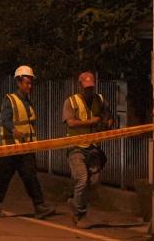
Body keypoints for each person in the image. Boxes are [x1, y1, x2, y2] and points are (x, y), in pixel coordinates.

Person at [0, 65, 55, 219]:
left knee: (30, 176)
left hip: (25, 148)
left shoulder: (28, 101)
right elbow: (4, 119)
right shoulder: (10, 100)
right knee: (3, 178)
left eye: (31, 83)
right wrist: (14, 131)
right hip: (11, 148)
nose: (29, 86)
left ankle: (39, 206)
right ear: (18, 82)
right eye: (27, 83)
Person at [62, 71, 116, 227]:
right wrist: (92, 122)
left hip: (93, 148)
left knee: (94, 181)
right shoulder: (71, 102)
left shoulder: (100, 100)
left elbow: (108, 116)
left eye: (91, 87)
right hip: (76, 148)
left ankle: (74, 201)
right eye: (86, 87)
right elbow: (71, 123)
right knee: (82, 178)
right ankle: (79, 215)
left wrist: (108, 122)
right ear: (80, 86)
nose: (89, 90)